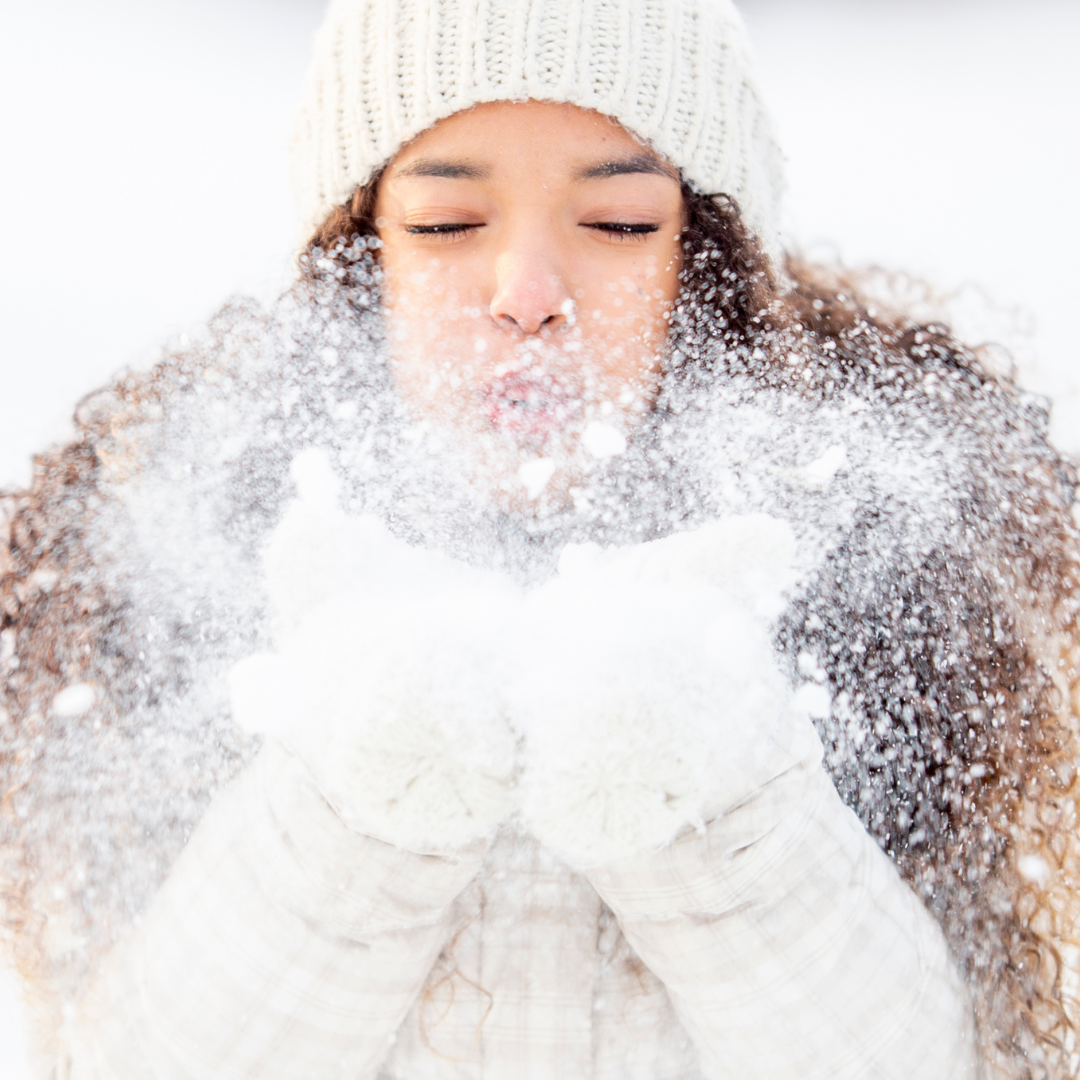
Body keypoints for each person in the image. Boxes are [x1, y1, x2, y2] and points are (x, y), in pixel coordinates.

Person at [1, 0, 1079, 1077]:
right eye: (443, 225)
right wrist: (351, 792)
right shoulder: (193, 568)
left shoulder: (876, 581)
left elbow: (950, 1055)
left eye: (617, 225)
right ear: (357, 259)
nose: (527, 295)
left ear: (707, 267)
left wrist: (717, 780)